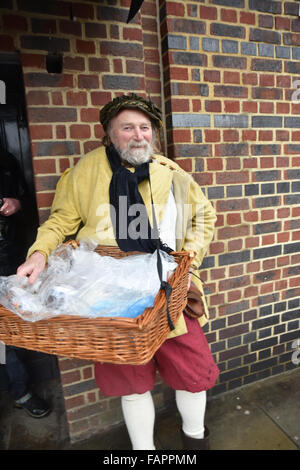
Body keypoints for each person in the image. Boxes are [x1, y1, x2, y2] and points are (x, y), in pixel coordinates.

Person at [17, 93, 219, 448]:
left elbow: (204, 217)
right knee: (131, 382)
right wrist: (39, 253)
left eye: (145, 128)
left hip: (171, 290)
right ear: (109, 134)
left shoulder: (172, 174)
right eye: (127, 128)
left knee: (192, 373)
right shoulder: (85, 171)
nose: (138, 135)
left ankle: (196, 442)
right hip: (109, 300)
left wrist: (188, 261)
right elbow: (61, 220)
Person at [0, 146, 51, 418]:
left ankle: (20, 392)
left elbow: (29, 204)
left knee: (8, 331)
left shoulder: (5, 159)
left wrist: (17, 205)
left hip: (9, 260)